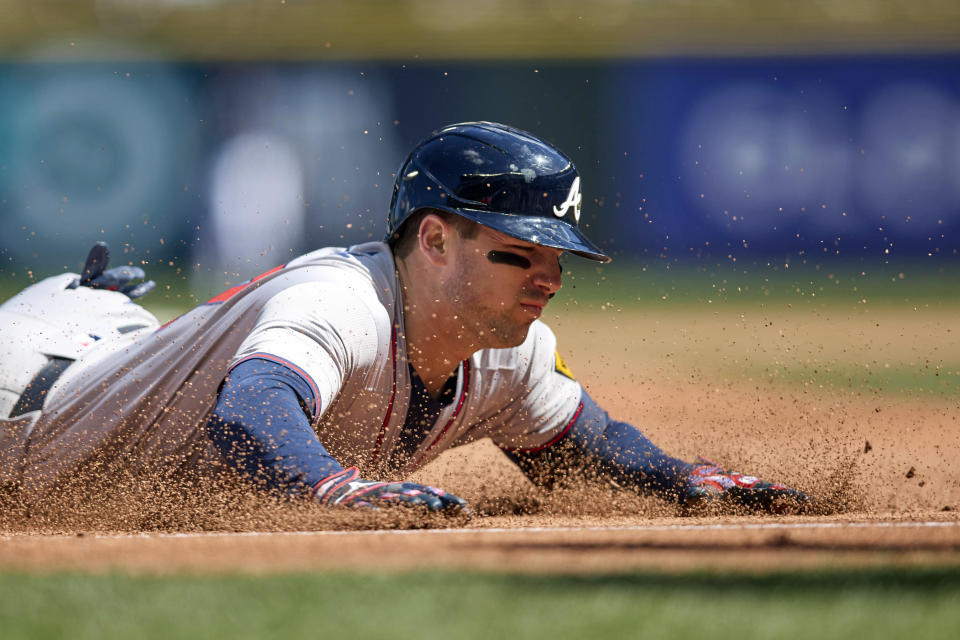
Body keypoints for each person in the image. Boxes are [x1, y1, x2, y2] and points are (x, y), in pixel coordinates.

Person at [0, 122, 807, 516]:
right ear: (434, 239)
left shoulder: (510, 353)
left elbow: (586, 449)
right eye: (520, 252)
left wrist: (683, 483)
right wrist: (335, 490)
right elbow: (248, 414)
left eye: (559, 257)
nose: (550, 277)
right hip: (24, 400)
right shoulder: (344, 300)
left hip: (110, 357)